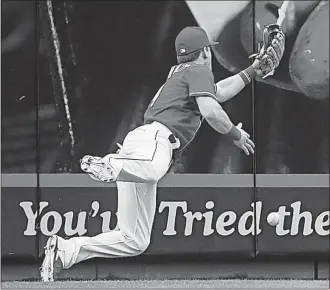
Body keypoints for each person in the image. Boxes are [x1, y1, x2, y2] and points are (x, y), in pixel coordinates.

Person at [40, 26, 284, 282]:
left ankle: (66, 251)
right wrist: (236, 134)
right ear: (203, 53)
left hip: (141, 146)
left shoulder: (183, 72)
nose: (210, 56)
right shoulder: (198, 71)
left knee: (134, 239)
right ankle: (110, 164)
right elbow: (211, 111)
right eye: (208, 51)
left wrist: (251, 72)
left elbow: (219, 92)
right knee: (156, 167)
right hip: (154, 142)